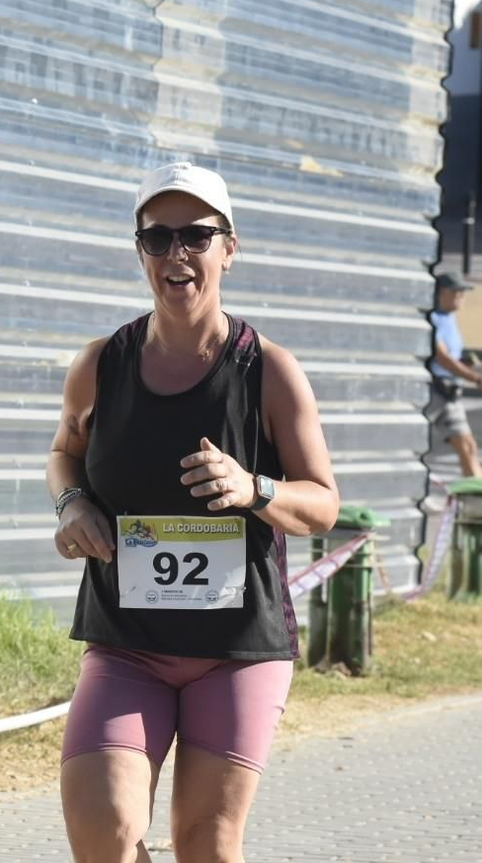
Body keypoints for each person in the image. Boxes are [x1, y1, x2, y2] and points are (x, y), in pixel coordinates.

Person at [48, 161, 339, 863]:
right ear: (141, 251)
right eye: (157, 237)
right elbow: (64, 452)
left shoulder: (266, 368)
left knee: (206, 844)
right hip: (129, 642)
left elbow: (323, 503)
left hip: (235, 650)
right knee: (103, 833)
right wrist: (71, 500)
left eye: (196, 235)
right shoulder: (100, 363)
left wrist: (254, 488)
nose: (177, 253)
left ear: (228, 249)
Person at [425, 270, 482, 478]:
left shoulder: (450, 319)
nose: (461, 297)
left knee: (468, 446)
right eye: (457, 292)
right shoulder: (431, 318)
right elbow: (442, 358)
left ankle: (476, 503)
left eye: (463, 293)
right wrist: (475, 378)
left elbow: (451, 357)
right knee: (407, 441)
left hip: (449, 393)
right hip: (431, 391)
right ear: (441, 292)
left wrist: (464, 363)